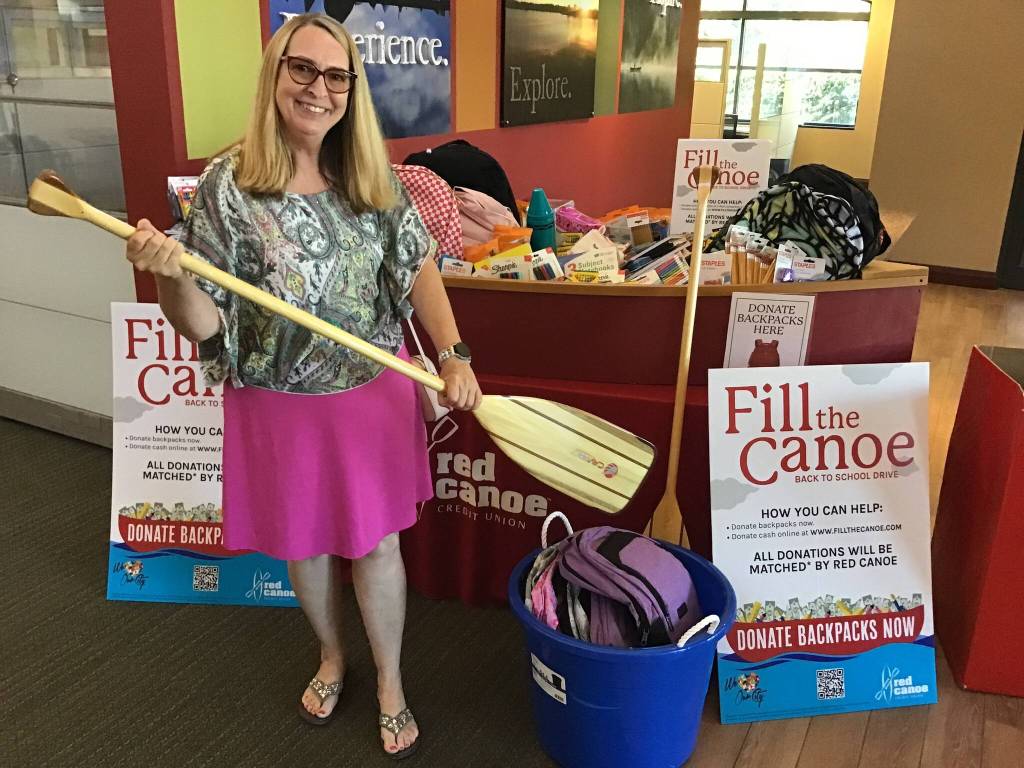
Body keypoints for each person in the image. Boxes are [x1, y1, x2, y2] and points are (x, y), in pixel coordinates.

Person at [124, 13, 481, 759]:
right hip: (277, 402)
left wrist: (454, 353)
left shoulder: (371, 176)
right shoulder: (227, 186)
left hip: (368, 395)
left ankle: (389, 678)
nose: (318, 88)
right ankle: (332, 655)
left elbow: (417, 267)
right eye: (302, 70)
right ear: (275, 74)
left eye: (335, 75)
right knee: (307, 548)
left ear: (352, 89)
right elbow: (201, 323)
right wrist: (168, 279)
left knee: (378, 545)